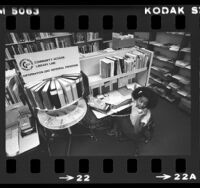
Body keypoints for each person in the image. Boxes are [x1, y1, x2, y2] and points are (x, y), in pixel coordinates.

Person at [107, 86, 158, 156]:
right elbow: (129, 100)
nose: (141, 104)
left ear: (148, 104)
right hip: (131, 120)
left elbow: (137, 130)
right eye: (141, 101)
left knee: (135, 136)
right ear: (137, 98)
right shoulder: (136, 101)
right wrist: (117, 106)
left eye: (145, 103)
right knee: (116, 117)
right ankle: (115, 130)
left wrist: (141, 116)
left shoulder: (146, 114)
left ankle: (136, 148)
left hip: (137, 127)